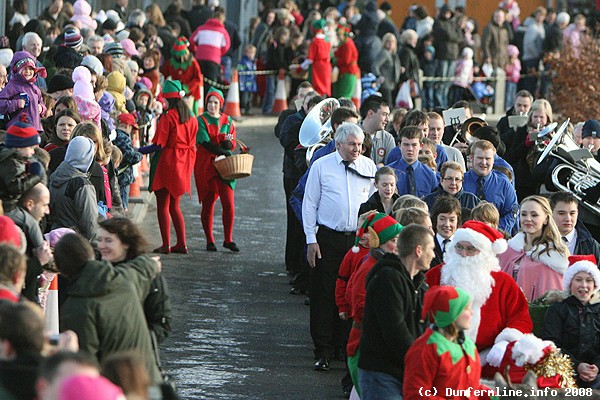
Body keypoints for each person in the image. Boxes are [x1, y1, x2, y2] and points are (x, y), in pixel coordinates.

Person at [303, 123, 377, 371]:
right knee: (324, 293)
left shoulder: (368, 166)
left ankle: (345, 348)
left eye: (360, 145)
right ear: (338, 145)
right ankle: (323, 350)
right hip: (328, 238)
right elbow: (309, 203)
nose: (357, 149)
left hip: (357, 240)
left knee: (352, 294)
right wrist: (310, 240)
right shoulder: (321, 166)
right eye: (352, 144)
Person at [425, 220, 533, 377]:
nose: (463, 254)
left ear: (484, 253)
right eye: (459, 247)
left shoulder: (503, 282)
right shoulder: (436, 275)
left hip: (489, 360)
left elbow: (521, 318)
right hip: (440, 356)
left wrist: (505, 342)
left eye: (470, 249)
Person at [55, 232, 162, 384]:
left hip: (115, 389)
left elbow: (87, 367)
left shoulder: (75, 309)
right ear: (91, 254)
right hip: (148, 381)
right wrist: (154, 264)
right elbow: (144, 265)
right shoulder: (124, 277)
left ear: (62, 270)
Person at [358, 224, 435, 398]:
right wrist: (420, 362)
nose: (434, 255)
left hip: (405, 372)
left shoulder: (419, 284)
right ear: (418, 250)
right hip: (381, 374)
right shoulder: (388, 278)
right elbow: (395, 330)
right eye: (431, 249)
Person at [345, 213, 403, 396]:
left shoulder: (389, 265)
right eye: (394, 240)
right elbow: (359, 307)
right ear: (380, 242)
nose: (399, 245)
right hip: (364, 345)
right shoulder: (369, 268)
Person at [404, 286, 492, 400]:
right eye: (466, 308)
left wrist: (496, 396)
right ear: (451, 313)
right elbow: (415, 394)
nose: (472, 312)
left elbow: (470, 389)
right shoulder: (425, 349)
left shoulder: (468, 345)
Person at [141, 80, 197, 254]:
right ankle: (182, 243)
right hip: (184, 163)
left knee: (163, 205)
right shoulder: (191, 117)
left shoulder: (167, 117)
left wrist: (138, 150)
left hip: (167, 162)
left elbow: (158, 145)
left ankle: (166, 244)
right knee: (175, 206)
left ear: (167, 99)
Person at [542, 255, 600, 389]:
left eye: (589, 280)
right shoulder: (557, 309)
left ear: (595, 284)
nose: (584, 285)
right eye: (578, 280)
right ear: (570, 283)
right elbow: (551, 344)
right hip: (564, 370)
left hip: (596, 373)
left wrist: (596, 367)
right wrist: (577, 365)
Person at [194, 87, 239, 252]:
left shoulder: (227, 121)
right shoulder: (201, 120)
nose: (212, 106)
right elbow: (205, 142)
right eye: (210, 102)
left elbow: (231, 140)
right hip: (206, 166)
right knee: (208, 204)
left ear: (220, 104)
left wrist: (228, 144)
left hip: (225, 167)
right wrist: (223, 150)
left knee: (229, 203)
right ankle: (209, 240)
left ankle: (228, 239)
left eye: (215, 103)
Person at [499, 195, 570, 301]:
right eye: (524, 214)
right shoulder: (509, 249)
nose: (528, 219)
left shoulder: (554, 256)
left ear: (546, 219)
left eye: (534, 215)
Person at [48, 136, 98, 241]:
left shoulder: (55, 175)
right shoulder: (82, 185)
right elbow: (90, 223)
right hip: (76, 241)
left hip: (54, 237)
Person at [462, 140, 518, 233]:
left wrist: (493, 231)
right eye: (480, 158)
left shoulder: (503, 183)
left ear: (493, 160)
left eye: (487, 159)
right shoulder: (461, 181)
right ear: (471, 158)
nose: (484, 163)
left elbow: (512, 212)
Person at [505, 98, 554, 201]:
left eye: (542, 117)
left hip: (543, 184)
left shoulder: (553, 133)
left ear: (548, 118)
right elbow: (511, 157)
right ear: (530, 116)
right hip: (524, 183)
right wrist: (526, 143)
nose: (538, 120)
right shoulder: (523, 130)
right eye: (535, 116)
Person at [0, 119, 43, 213]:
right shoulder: (10, 162)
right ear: (19, 146)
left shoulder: (15, 158)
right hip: (8, 207)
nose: (33, 152)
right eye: (31, 148)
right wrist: (34, 176)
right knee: (31, 225)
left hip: (9, 204)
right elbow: (16, 187)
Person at [0, 51, 47, 132]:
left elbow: (42, 103)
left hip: (35, 128)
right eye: (24, 68)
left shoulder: (35, 88)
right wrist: (16, 104)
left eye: (31, 68)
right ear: (17, 70)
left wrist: (41, 108)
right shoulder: (12, 86)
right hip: (17, 129)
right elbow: (1, 103)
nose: (28, 71)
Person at [386, 126, 438, 198]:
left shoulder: (430, 175)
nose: (410, 149)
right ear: (399, 145)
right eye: (406, 145)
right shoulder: (388, 172)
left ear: (421, 146)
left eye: (414, 145)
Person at [549, 192, 600, 262]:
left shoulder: (591, 245)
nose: (568, 219)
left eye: (572, 213)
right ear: (550, 213)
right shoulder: (538, 240)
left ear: (577, 213)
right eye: (561, 213)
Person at [189, 6, 230, 93]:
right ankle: (207, 102)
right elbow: (226, 46)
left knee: (198, 80)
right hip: (213, 60)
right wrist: (218, 53)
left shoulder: (201, 28)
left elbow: (191, 40)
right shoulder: (222, 31)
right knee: (210, 82)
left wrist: (196, 49)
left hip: (200, 57)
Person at [160, 36, 203, 116]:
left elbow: (198, 78)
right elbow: (163, 74)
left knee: (191, 114)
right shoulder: (171, 62)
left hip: (191, 94)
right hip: (176, 93)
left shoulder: (193, 63)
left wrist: (187, 88)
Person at [112, 113, 143, 211]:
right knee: (123, 203)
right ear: (127, 125)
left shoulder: (114, 135)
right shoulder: (123, 137)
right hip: (123, 176)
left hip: (118, 173)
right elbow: (130, 157)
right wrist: (139, 155)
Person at [359, 95, 395, 167]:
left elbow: (391, 168)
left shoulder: (388, 138)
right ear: (370, 114)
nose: (387, 119)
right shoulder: (351, 135)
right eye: (384, 114)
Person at [429, 196, 461, 268]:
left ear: (457, 221)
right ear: (435, 219)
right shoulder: (427, 245)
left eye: (452, 220)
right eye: (442, 219)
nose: (447, 224)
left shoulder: (463, 246)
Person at [372, 33, 401, 107]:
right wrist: (379, 76)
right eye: (388, 41)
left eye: (392, 42)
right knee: (388, 105)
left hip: (392, 84)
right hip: (385, 84)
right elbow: (375, 66)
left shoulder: (393, 54)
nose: (390, 44)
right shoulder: (384, 53)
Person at [332, 22, 360, 99]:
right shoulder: (343, 43)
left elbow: (346, 60)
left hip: (348, 73)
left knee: (344, 95)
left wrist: (334, 61)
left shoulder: (348, 44)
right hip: (343, 72)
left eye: (339, 34)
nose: (338, 36)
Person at [305, 19, 332, 96]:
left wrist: (301, 66)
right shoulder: (327, 40)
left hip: (316, 68)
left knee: (315, 88)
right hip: (326, 67)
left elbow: (310, 59)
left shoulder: (314, 42)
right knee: (325, 88)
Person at [238, 44, 258, 116]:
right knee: (244, 97)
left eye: (252, 53)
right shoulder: (243, 61)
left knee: (250, 97)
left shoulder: (253, 62)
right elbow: (241, 71)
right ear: (245, 53)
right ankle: (242, 109)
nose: (250, 54)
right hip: (245, 83)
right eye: (249, 52)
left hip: (251, 84)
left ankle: (248, 109)